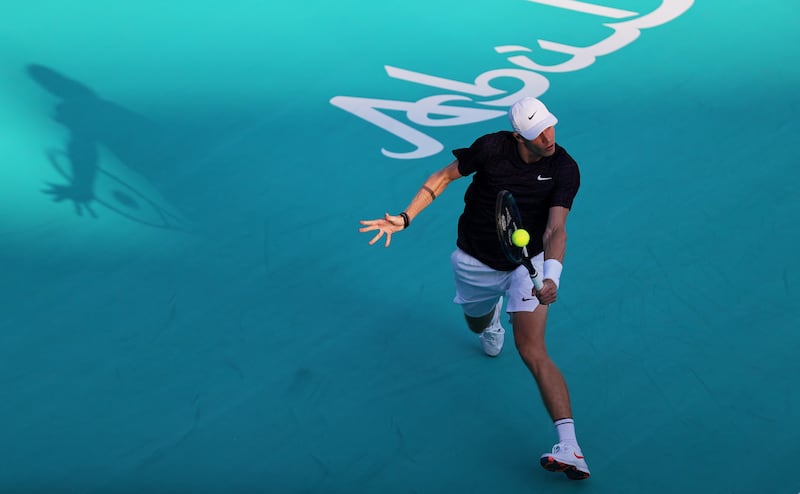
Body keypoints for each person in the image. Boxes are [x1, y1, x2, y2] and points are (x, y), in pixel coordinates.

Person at [359, 96, 590, 480]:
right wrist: (405, 217)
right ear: (519, 136)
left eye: (550, 126)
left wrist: (552, 276)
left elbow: (555, 229)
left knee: (532, 350)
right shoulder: (492, 149)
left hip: (525, 264)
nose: (548, 137)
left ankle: (571, 446)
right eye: (538, 132)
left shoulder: (565, 168)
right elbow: (445, 177)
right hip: (475, 261)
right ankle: (492, 321)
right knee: (477, 325)